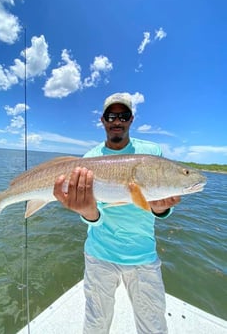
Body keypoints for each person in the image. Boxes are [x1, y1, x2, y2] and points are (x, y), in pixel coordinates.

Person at [53, 93, 181, 334]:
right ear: (103, 120)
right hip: (99, 255)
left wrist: (162, 207)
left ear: (131, 119)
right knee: (95, 325)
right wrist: (88, 212)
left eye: (123, 116)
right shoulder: (89, 159)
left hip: (143, 255)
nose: (117, 121)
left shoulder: (152, 152)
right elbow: (93, 215)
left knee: (154, 327)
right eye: (112, 116)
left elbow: (157, 204)